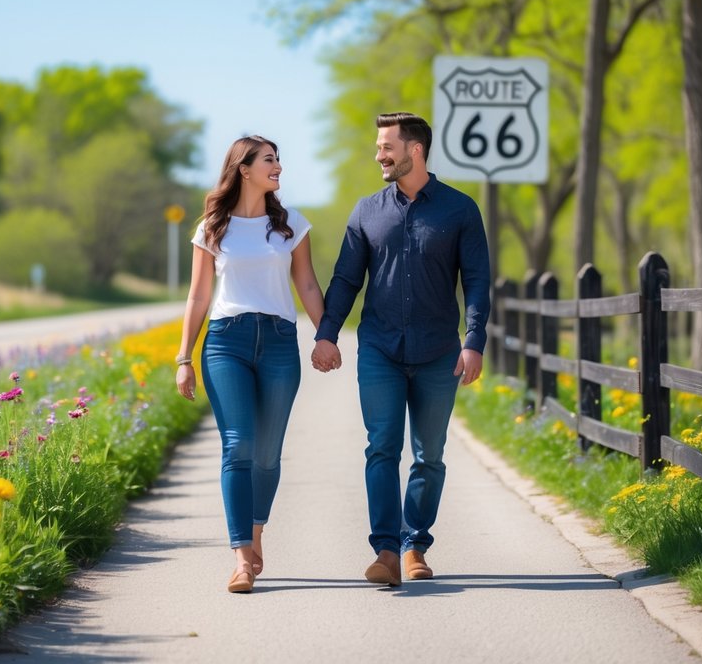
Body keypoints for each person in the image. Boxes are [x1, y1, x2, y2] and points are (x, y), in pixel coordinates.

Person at [311, 111, 490, 586]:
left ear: (415, 150)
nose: (379, 155)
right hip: (380, 350)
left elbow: (476, 281)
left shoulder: (460, 210)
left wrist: (474, 340)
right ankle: (386, 551)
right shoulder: (367, 211)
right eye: (378, 146)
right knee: (381, 448)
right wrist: (326, 333)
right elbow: (347, 279)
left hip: (438, 353)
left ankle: (416, 544)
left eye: (386, 146)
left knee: (429, 454)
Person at [175, 135, 326, 594]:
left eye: (279, 158)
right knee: (238, 445)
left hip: (280, 342)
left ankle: (256, 533)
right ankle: (242, 557)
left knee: (267, 454)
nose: (278, 166)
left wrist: (327, 336)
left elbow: (308, 286)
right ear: (244, 168)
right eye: (269, 160)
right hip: (226, 342)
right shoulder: (212, 227)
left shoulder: (290, 225)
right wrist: (184, 357)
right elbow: (199, 294)